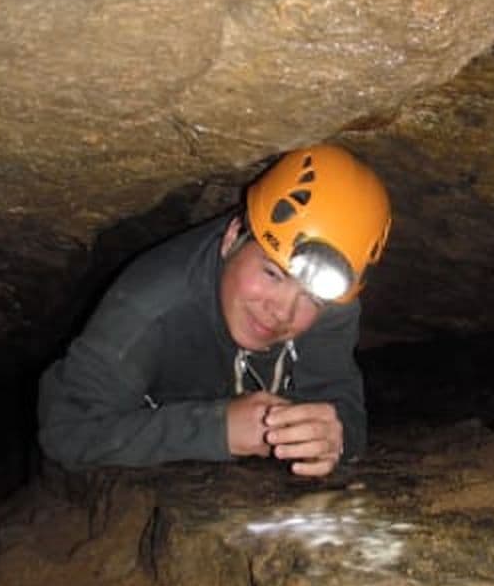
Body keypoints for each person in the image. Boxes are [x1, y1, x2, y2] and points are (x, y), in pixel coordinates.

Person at [37, 144, 391, 477]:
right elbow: (67, 432)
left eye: (311, 299)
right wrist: (215, 429)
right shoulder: (151, 304)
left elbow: (341, 405)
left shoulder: (332, 297)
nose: (282, 311)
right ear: (232, 236)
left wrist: (333, 438)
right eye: (271, 274)